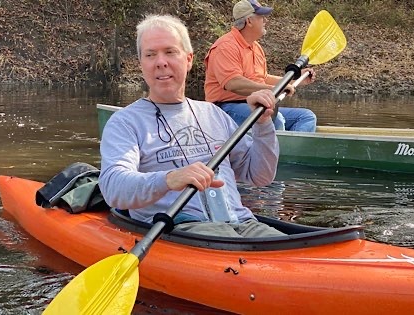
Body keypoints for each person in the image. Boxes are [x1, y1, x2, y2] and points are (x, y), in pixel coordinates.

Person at [99, 14, 285, 238]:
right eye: (150, 55)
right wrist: (169, 179)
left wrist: (263, 125)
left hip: (243, 222)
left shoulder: (214, 114)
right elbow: (113, 188)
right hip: (180, 227)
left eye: (170, 52)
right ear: (142, 65)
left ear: (188, 60)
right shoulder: (125, 123)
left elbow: (260, 176)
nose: (160, 62)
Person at [204, 0, 317, 132]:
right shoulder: (225, 47)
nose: (265, 21)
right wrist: (274, 89)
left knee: (306, 117)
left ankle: (290, 152)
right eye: (261, 17)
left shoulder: (256, 47)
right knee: (276, 118)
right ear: (249, 21)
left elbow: (262, 78)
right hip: (224, 108)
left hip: (256, 104)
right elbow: (233, 83)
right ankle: (275, 151)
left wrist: (295, 80)